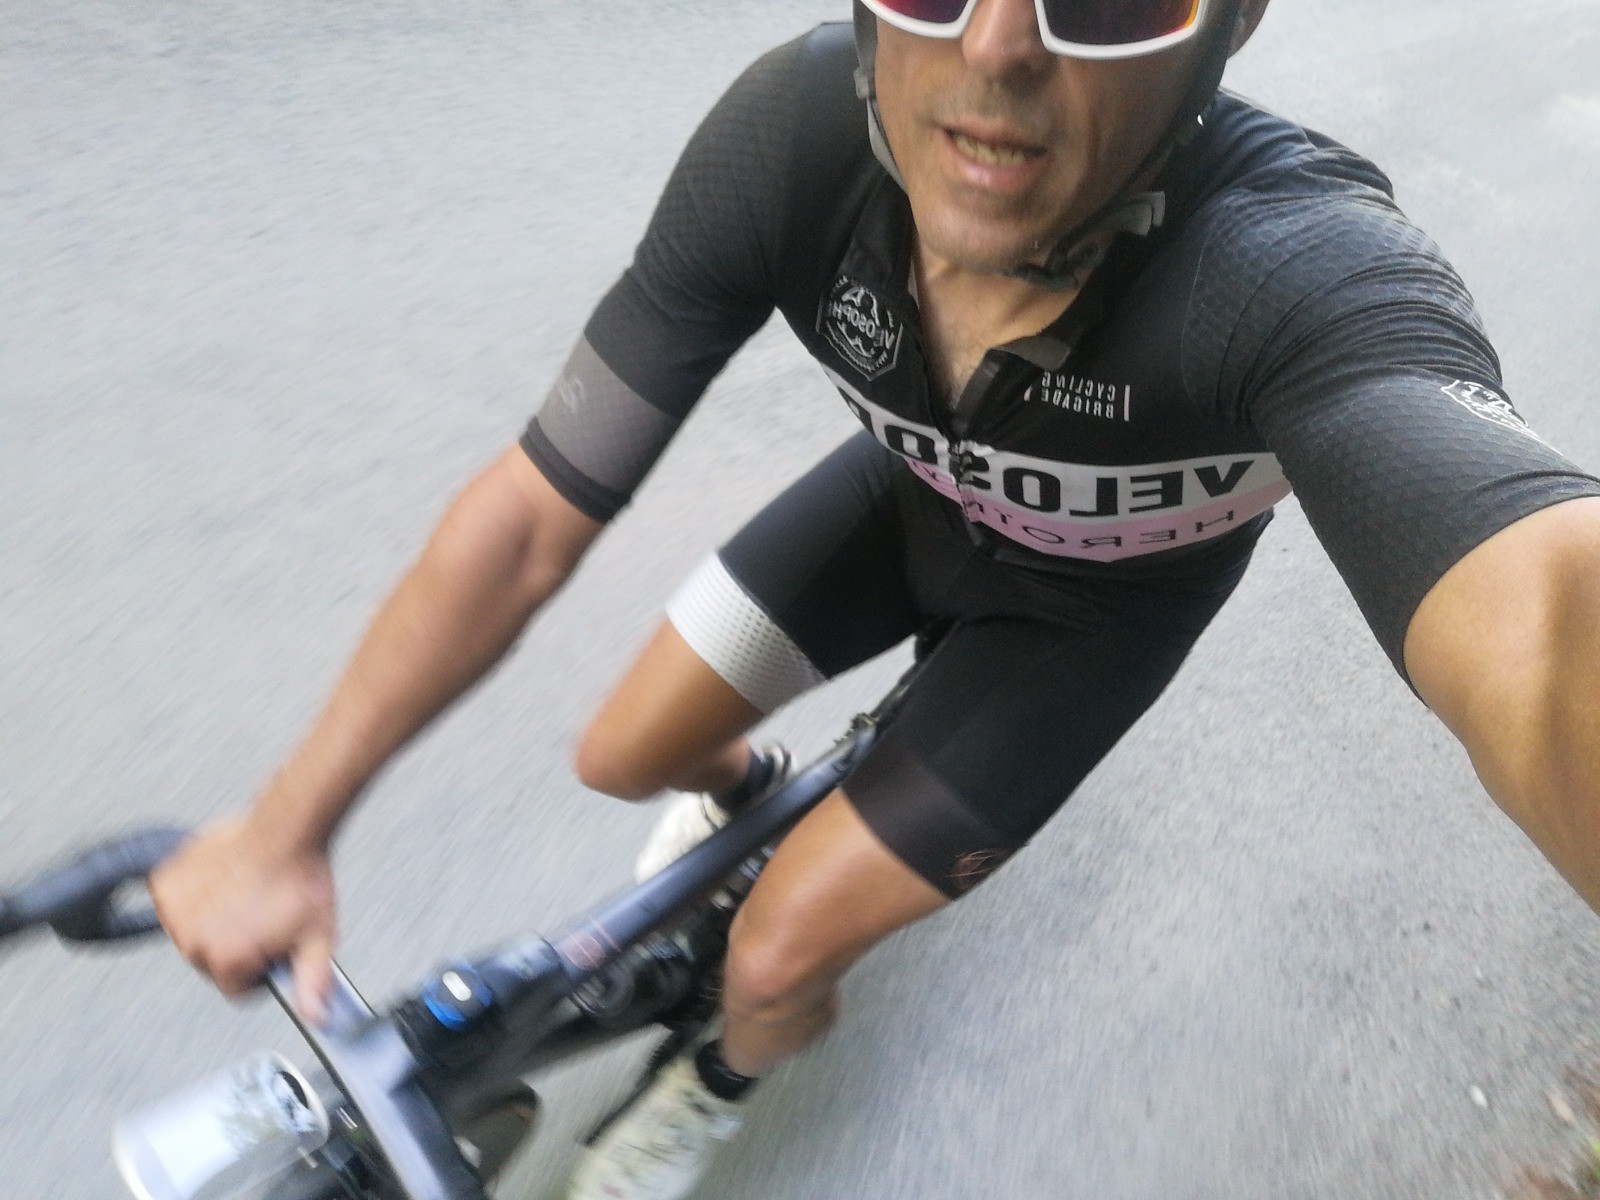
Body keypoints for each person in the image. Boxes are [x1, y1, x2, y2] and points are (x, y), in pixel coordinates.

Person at [151, 2, 1600, 1198]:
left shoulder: (1294, 264)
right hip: (904, 514)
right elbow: (535, 506)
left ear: (1233, 21)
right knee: (623, 755)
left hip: (1082, 631)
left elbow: (1543, 628)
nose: (996, 46)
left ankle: (715, 1084)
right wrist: (283, 828)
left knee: (777, 957)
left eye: (1104, 0)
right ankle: (758, 801)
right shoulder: (791, 136)